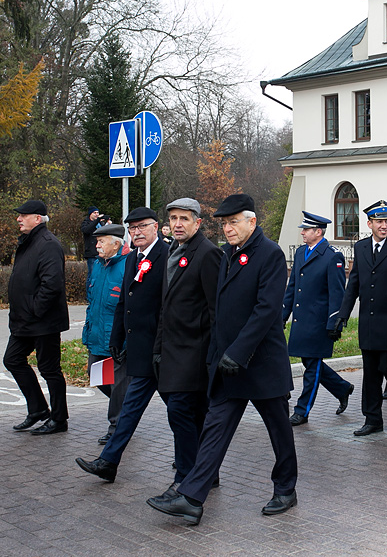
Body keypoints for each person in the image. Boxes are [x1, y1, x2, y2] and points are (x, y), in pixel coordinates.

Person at [147, 194, 298, 525]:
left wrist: (238, 352)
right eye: (224, 223)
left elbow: (266, 310)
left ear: (252, 222)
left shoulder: (269, 255)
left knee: (278, 429)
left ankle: (286, 488)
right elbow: (220, 313)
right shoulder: (229, 254)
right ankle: (192, 497)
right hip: (228, 366)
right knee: (215, 429)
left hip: (260, 364)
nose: (227, 229)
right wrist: (215, 356)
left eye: (233, 222)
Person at [77, 206, 167, 482]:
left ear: (155, 227)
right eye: (133, 228)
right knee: (126, 408)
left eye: (143, 226)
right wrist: (116, 337)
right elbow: (123, 304)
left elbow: (169, 306)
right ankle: (108, 462)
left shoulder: (167, 257)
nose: (137, 232)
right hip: (134, 348)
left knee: (181, 411)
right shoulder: (131, 260)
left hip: (161, 351)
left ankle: (199, 463)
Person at [146, 198, 223, 505]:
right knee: (196, 415)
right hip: (171, 349)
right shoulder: (172, 252)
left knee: (179, 411)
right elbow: (166, 307)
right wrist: (158, 346)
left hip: (195, 352)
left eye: (184, 219)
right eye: (174, 218)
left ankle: (185, 479)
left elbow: (217, 310)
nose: (177, 224)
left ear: (197, 223)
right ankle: (206, 474)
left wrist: (212, 356)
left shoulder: (208, 254)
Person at [336, 200, 387, 436]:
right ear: (369, 223)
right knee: (371, 373)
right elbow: (353, 284)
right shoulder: (361, 247)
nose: (384, 226)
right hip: (368, 321)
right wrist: (343, 315)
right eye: (379, 222)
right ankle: (373, 419)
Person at [5, 200, 70, 435]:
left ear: (38, 218)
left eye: (24, 215)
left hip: (43, 320)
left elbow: (52, 285)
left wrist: (34, 309)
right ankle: (38, 410)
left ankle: (59, 419)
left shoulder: (48, 244)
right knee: (12, 359)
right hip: (25, 320)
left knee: (49, 369)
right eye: (19, 215)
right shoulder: (29, 242)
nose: (19, 219)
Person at [284, 212, 353, 426]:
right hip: (301, 322)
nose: (302, 233)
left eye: (306, 229)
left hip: (318, 323)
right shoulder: (302, 252)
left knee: (312, 367)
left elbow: (337, 293)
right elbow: (292, 288)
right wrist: (281, 316)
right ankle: (342, 388)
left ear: (318, 232)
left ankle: (302, 411)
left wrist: (335, 322)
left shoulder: (332, 256)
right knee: (309, 362)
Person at [80, 223, 130, 444]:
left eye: (101, 241)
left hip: (117, 339)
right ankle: (128, 411)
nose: (97, 245)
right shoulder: (99, 265)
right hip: (98, 337)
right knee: (97, 376)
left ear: (116, 243)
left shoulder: (129, 265)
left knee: (118, 384)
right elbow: (93, 303)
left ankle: (117, 427)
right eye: (96, 241)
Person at [81, 207, 103, 294]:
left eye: (97, 212)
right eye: (94, 213)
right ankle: (90, 294)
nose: (97, 214)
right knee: (92, 275)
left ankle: (97, 293)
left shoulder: (100, 224)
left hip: (101, 252)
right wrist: (97, 221)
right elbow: (87, 230)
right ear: (90, 214)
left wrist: (107, 224)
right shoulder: (86, 223)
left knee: (100, 274)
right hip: (91, 253)